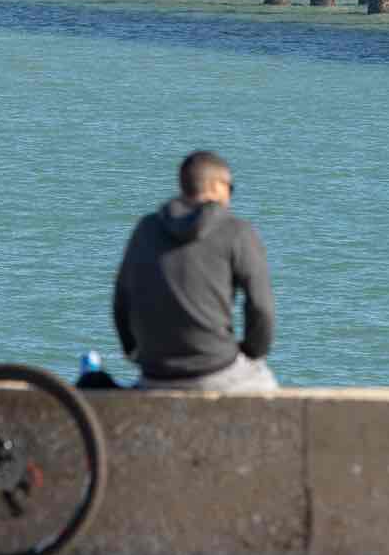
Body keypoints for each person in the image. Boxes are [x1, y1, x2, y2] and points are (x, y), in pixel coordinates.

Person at [111, 150, 278, 392]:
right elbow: (261, 307)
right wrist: (253, 352)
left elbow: (121, 300)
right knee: (270, 393)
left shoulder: (145, 229)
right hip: (217, 368)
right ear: (217, 186)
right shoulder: (237, 231)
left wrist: (135, 352)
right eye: (230, 188)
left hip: (156, 374)